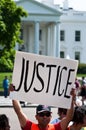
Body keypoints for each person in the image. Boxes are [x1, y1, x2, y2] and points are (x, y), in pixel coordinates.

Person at [9, 84, 76, 130]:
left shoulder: (56, 128)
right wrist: (13, 94)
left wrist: (72, 99)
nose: (45, 117)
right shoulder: (29, 127)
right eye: (41, 114)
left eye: (47, 114)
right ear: (36, 117)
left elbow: (69, 117)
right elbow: (19, 112)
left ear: (51, 116)